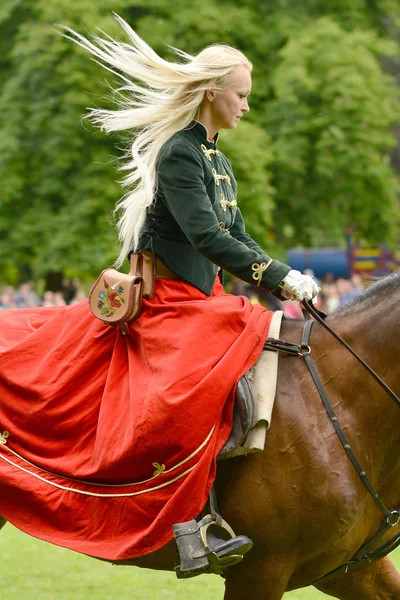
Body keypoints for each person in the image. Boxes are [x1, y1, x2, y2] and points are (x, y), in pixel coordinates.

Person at [0, 15, 318, 581]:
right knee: (183, 395)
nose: (246, 105)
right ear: (214, 93)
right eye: (241, 95)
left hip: (204, 298)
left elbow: (237, 235)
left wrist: (281, 276)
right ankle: (190, 522)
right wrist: (279, 277)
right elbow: (205, 237)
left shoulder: (218, 160)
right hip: (167, 301)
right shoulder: (179, 153)